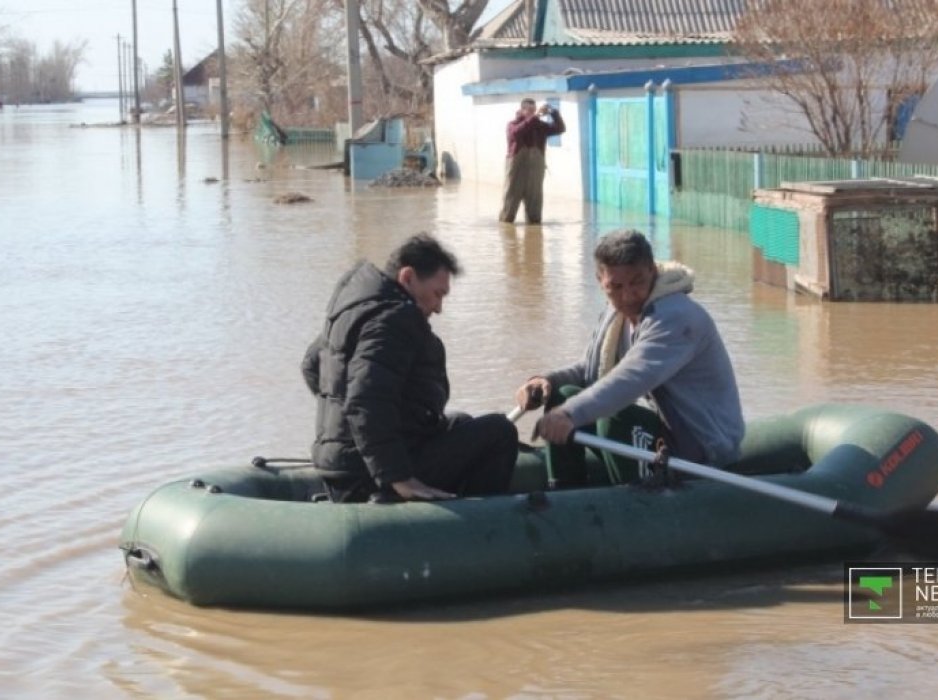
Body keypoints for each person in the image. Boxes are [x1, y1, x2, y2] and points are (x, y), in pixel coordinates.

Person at [514, 229, 745, 487]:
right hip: (667, 431)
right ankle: (566, 495)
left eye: (637, 282)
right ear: (600, 281)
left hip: (702, 447)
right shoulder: (617, 315)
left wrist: (569, 415)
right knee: (563, 394)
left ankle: (634, 507)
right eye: (616, 287)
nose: (628, 296)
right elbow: (589, 371)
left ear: (652, 271)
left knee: (614, 417)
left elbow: (632, 379)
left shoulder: (675, 317)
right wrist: (545, 382)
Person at [302, 234, 519, 503]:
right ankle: (476, 529)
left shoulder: (354, 307)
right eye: (437, 294)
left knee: (460, 421)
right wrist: (398, 477)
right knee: (500, 432)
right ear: (407, 278)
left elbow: (312, 366)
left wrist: (347, 425)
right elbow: (366, 400)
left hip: (341, 462)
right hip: (367, 473)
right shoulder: (394, 319)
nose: (438, 308)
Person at [499, 97, 566, 225]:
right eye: (529, 110)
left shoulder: (540, 127)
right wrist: (535, 117)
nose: (533, 112)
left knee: (535, 217)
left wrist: (553, 112)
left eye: (534, 110)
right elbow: (517, 133)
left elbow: (560, 128)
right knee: (508, 215)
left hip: (535, 174)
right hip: (516, 174)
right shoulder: (512, 125)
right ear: (522, 110)